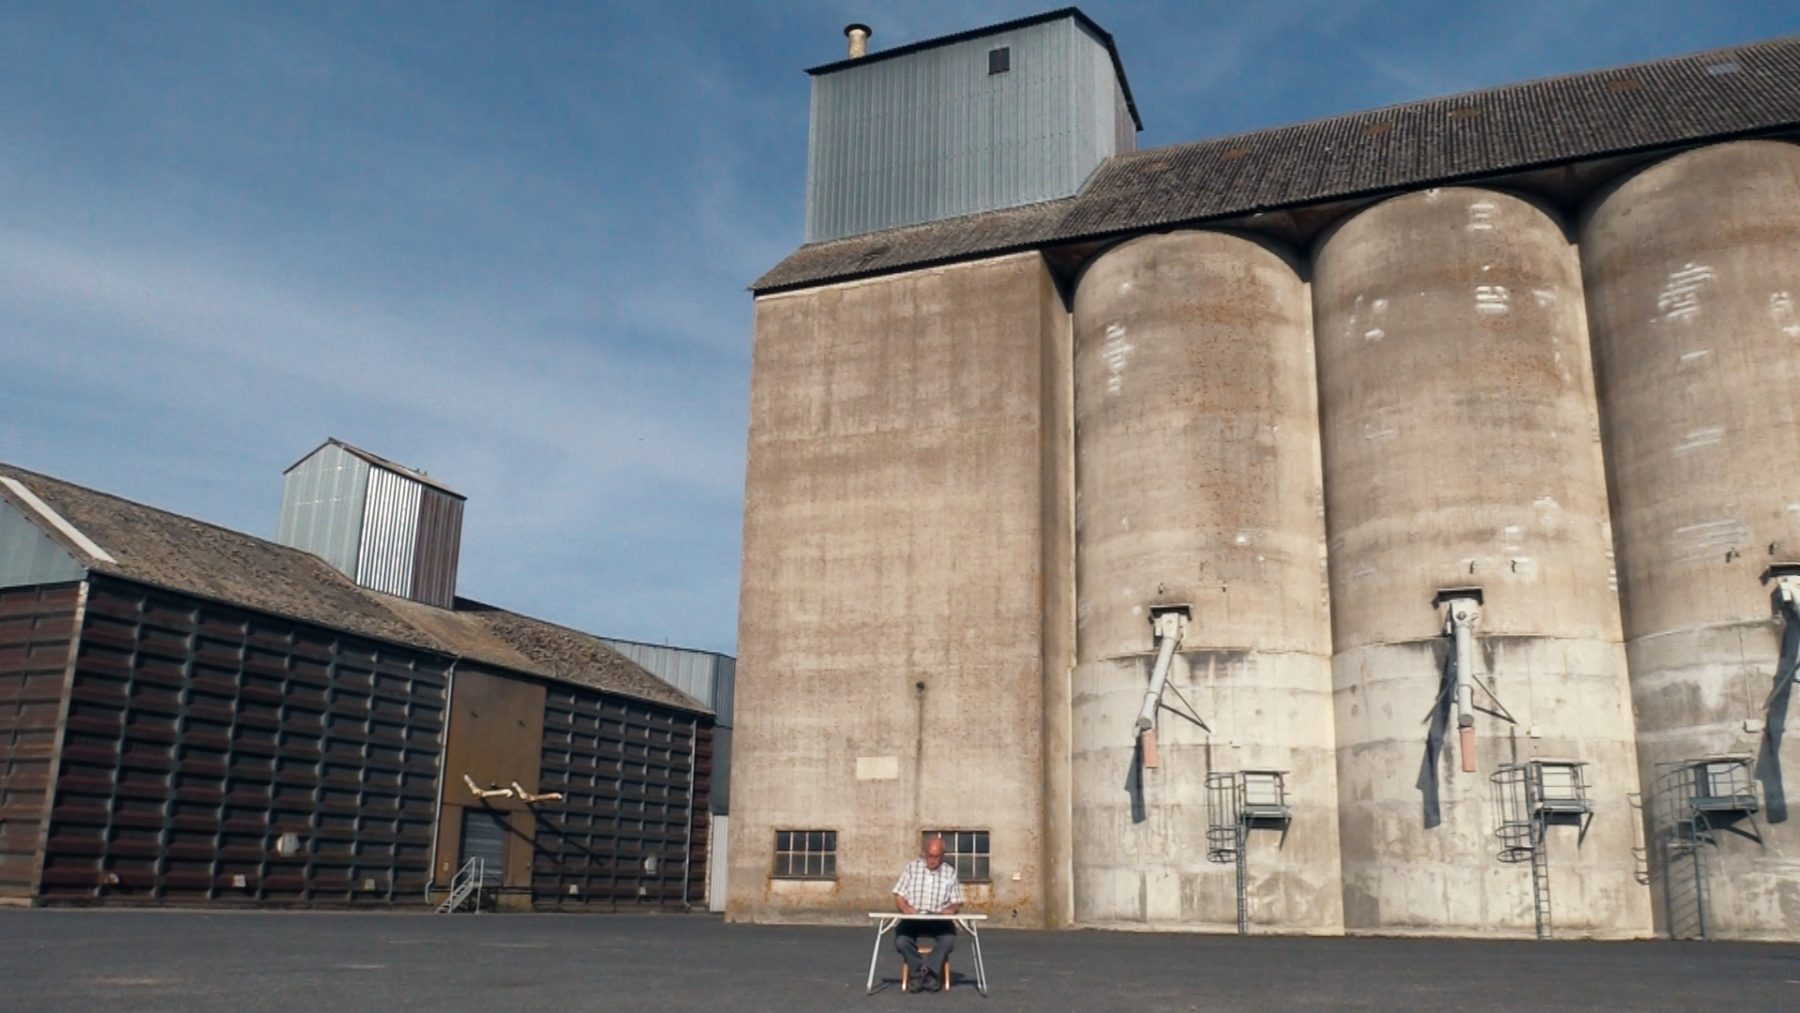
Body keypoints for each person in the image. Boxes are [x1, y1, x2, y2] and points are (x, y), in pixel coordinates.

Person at [891, 835, 965, 993]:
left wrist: (951, 909)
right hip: (913, 916)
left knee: (949, 939)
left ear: (942, 856)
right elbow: (899, 896)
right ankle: (918, 971)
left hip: (938, 918)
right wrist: (905, 909)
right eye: (930, 856)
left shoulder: (950, 873)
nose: (932, 860)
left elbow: (957, 901)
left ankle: (928, 971)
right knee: (902, 941)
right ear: (925, 853)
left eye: (936, 857)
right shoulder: (912, 868)